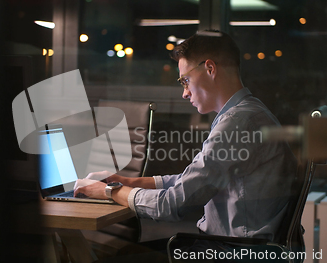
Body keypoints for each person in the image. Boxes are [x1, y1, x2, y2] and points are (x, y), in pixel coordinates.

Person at [74, 30, 299, 262]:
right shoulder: (248, 113)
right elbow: (191, 182)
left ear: (210, 69)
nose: (184, 93)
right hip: (233, 247)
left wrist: (109, 191)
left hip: (230, 253)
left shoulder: (238, 123)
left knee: (120, 257)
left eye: (185, 80)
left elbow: (173, 204)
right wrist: (126, 182)